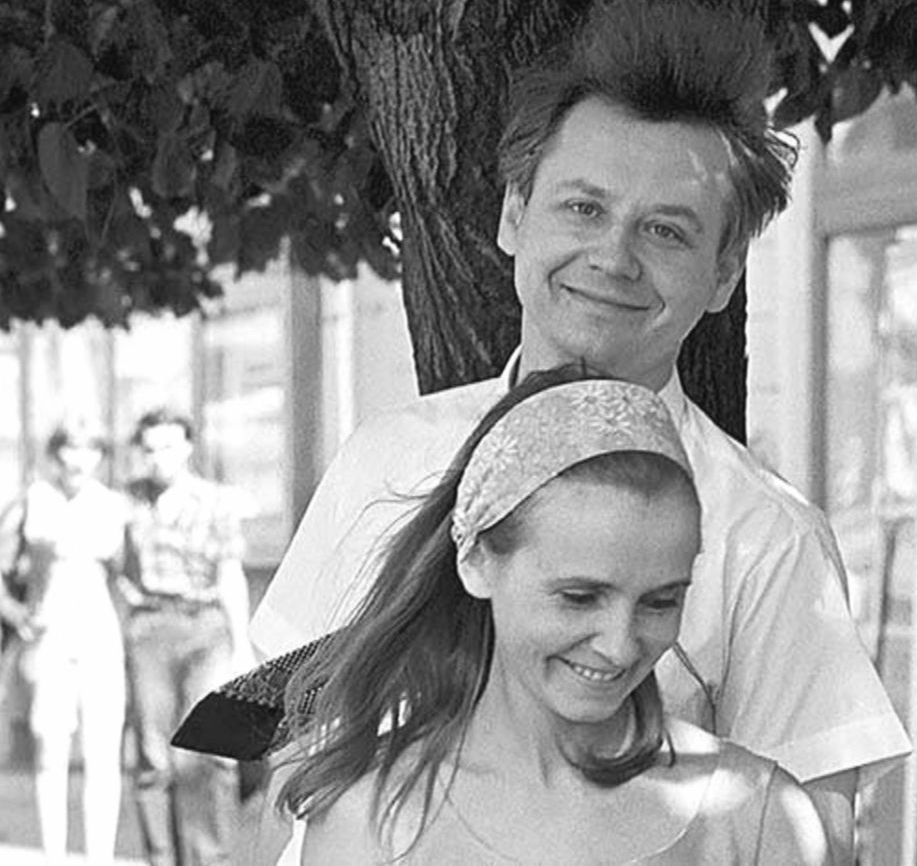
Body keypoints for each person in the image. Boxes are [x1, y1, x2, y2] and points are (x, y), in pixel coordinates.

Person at [249, 0, 910, 861]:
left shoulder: (767, 539)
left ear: (723, 273)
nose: (612, 256)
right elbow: (285, 760)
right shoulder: (384, 459)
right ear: (513, 213)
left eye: (665, 230)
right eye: (583, 208)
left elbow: (812, 835)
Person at [237, 368, 825, 863]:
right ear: (475, 562)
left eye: (661, 601)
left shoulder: (759, 815)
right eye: (579, 597)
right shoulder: (368, 817)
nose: (620, 645)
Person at [0, 419, 129, 864]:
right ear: (55, 455)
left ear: (101, 456)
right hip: (50, 637)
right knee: (51, 749)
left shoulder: (114, 505)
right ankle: (52, 855)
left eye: (90, 449)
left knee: (102, 753)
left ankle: (100, 856)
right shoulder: (33, 500)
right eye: (69, 449)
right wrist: (9, 606)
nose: (78, 460)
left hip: (101, 636)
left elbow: (132, 575)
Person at [118, 408, 250, 866]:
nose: (159, 458)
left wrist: (240, 646)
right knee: (154, 756)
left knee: (205, 748)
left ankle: (209, 859)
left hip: (204, 626)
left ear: (188, 447)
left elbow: (230, 573)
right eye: (150, 449)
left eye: (169, 446)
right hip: (151, 628)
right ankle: (161, 858)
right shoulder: (129, 502)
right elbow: (111, 563)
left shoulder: (216, 501)